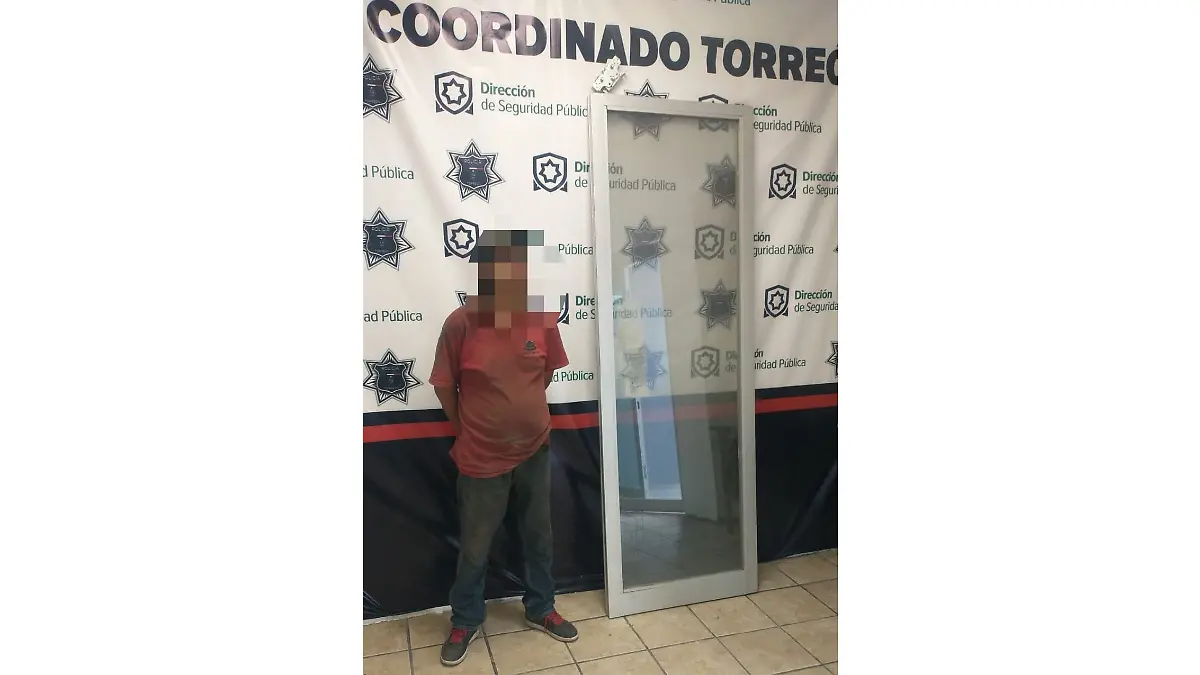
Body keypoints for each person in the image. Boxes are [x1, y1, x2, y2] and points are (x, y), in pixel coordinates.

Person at [429, 230, 578, 668]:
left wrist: (519, 414)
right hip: (480, 456)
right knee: (475, 546)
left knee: (539, 537)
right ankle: (465, 619)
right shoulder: (460, 323)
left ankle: (541, 608)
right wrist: (466, 431)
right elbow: (444, 385)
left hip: (534, 450)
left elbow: (544, 375)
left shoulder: (541, 319)